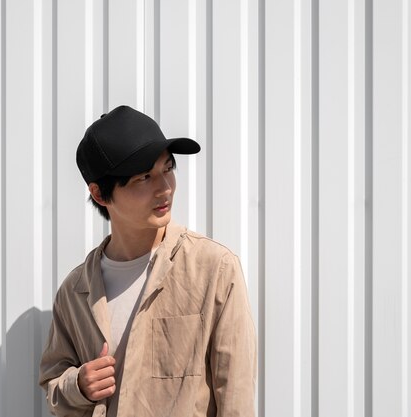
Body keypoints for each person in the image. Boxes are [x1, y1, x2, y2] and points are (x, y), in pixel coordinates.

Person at [39, 105, 257, 417]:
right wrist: (79, 386)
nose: (165, 188)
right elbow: (53, 383)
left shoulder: (214, 269)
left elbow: (236, 396)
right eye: (144, 176)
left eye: (168, 169)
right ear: (100, 194)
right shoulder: (75, 290)